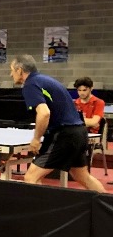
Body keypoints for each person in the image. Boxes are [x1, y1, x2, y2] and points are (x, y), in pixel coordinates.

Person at [10, 55, 103, 192]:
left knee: (31, 177)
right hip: (79, 132)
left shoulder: (30, 84)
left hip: (64, 135)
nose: (11, 74)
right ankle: (107, 203)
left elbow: (44, 113)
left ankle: (42, 206)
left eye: (12, 70)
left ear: (19, 70)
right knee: (82, 176)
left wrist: (36, 139)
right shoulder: (46, 80)